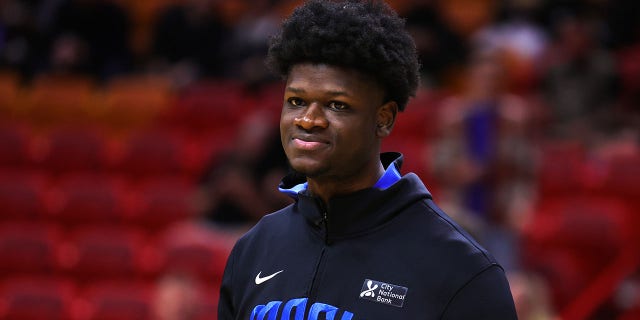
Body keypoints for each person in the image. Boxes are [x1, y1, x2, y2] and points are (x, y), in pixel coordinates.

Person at [218, 1, 517, 319]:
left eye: (336, 105)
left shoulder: (460, 269)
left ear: (384, 119)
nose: (308, 119)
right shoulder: (253, 249)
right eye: (296, 101)